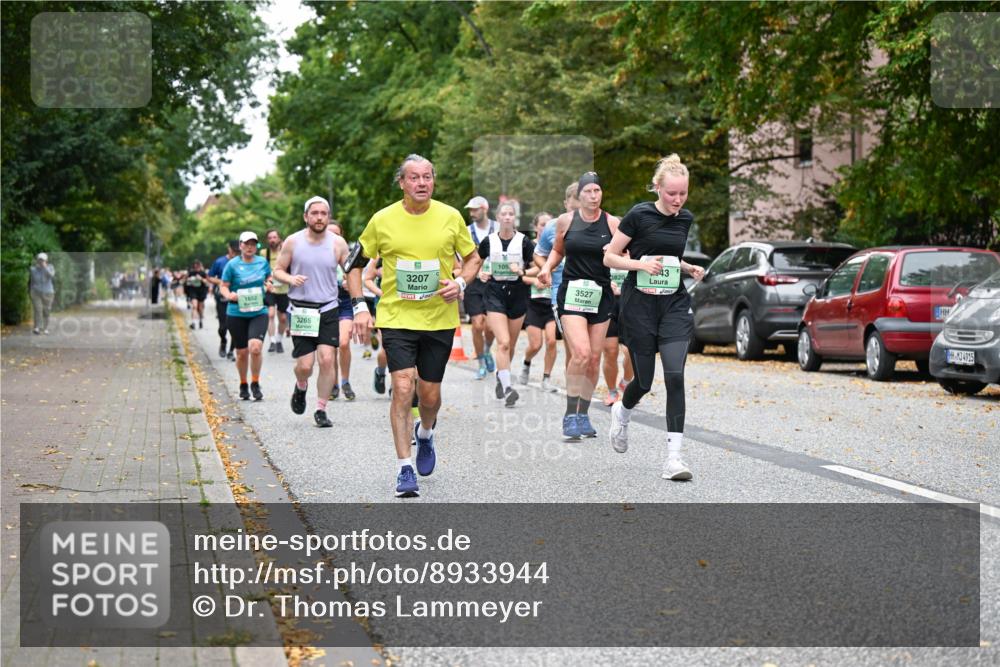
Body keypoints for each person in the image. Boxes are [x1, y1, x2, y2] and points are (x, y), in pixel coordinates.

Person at [347, 154, 481, 498]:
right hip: (396, 317)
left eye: (427, 177)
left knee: (430, 396)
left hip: (438, 318)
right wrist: (361, 306)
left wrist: (462, 284)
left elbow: (473, 259)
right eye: (414, 178)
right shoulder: (382, 219)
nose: (422, 183)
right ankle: (404, 468)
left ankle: (425, 434)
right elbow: (354, 266)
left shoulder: (450, 217)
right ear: (402, 183)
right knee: (404, 388)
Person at [604, 154, 705, 480]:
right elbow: (609, 257)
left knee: (675, 376)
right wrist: (640, 265)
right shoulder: (638, 215)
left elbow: (670, 255)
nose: (677, 200)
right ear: (657, 188)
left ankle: (674, 459)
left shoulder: (684, 218)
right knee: (644, 381)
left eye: (683, 194)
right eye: (671, 193)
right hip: (640, 306)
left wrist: (687, 267)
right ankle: (622, 411)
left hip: (673, 305)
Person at [538, 173, 620, 441]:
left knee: (595, 357)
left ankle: (583, 414)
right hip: (572, 293)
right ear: (580, 196)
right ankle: (569, 413)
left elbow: (625, 254)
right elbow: (558, 250)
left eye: (598, 190)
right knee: (581, 353)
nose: (594, 196)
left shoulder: (612, 222)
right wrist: (547, 269)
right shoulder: (566, 221)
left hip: (601, 295)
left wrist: (616, 256)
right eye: (589, 191)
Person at [272, 196, 351, 428]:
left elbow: (349, 270)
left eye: (323, 213)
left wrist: (348, 281)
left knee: (327, 360)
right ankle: (301, 385)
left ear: (328, 216)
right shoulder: (293, 242)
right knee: (305, 366)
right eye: (314, 213)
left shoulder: (338, 243)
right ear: (306, 216)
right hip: (302, 310)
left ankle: (321, 409)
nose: (319, 217)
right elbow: (278, 270)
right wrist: (290, 278)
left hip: (328, 307)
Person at [478, 201, 534, 407]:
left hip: (517, 293)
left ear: (515, 218)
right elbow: (472, 263)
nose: (508, 217)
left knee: (509, 344)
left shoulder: (524, 242)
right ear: (498, 218)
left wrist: (523, 272)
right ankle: (509, 387)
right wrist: (480, 273)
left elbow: (541, 266)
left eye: (511, 214)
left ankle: (502, 378)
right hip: (494, 292)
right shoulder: (489, 241)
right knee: (502, 342)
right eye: (504, 214)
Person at [533, 182, 581, 372]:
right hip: (562, 292)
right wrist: (546, 268)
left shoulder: (599, 224)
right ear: (566, 203)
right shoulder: (553, 226)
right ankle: (574, 395)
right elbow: (538, 253)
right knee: (574, 348)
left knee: (590, 352)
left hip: (592, 291)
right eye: (574, 204)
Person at [219, 231, 272, 401]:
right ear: (240, 246)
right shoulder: (232, 265)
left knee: (255, 348)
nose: (250, 247)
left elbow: (269, 279)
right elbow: (223, 286)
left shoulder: (263, 262)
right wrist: (229, 295)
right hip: (236, 313)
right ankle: (243, 383)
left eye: (253, 244)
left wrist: (269, 285)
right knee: (242, 353)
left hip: (258, 311)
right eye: (246, 244)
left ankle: (255, 383)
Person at [519, 212, 558, 391]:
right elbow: (520, 275)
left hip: (551, 303)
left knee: (551, 341)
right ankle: (526, 363)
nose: (546, 227)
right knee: (536, 344)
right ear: (536, 227)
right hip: (533, 303)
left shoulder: (558, 247)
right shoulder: (530, 248)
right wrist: (535, 280)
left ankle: (546, 378)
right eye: (543, 224)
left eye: (550, 224)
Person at [463, 195, 497, 379]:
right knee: (477, 325)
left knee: (491, 327)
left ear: (485, 208)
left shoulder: (498, 228)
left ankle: (486, 349)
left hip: (494, 282)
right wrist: (475, 273)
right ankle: (481, 363)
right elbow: (462, 259)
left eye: (475, 209)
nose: (472, 213)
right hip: (474, 282)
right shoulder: (467, 232)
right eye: (470, 210)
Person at [328, 222, 356, 401]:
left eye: (337, 234)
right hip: (326, 304)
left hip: (345, 303)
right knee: (330, 349)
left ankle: (345, 381)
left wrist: (351, 284)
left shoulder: (349, 256)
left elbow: (358, 278)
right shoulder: (317, 255)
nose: (333, 238)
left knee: (344, 343)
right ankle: (333, 384)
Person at [602, 263, 634, 404]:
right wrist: (605, 284)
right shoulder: (604, 249)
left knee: (630, 351)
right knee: (610, 351)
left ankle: (626, 382)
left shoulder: (634, 250)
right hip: (607, 303)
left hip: (629, 305)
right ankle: (612, 391)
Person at [208, 240, 239, 359]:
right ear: (229, 249)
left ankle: (231, 351)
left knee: (235, 326)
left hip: (236, 296)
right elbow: (210, 277)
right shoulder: (220, 261)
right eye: (234, 250)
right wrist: (222, 282)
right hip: (222, 296)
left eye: (238, 251)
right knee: (223, 326)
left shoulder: (242, 261)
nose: (236, 253)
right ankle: (223, 341)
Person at [264, 229, 290, 354]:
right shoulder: (264, 253)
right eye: (270, 238)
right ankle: (272, 341)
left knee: (283, 318)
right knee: (270, 314)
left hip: (284, 289)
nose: (272, 240)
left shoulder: (285, 252)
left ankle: (279, 339)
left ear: (279, 238)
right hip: (270, 289)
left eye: (274, 237)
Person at [29, 252, 56, 334]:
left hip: (48, 292)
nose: (41, 262)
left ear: (46, 261)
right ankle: (37, 327)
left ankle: (45, 328)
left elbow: (51, 276)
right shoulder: (33, 269)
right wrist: (31, 291)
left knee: (46, 310)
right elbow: (31, 282)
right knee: (38, 309)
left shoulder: (50, 267)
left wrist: (45, 268)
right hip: (36, 292)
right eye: (39, 260)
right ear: (37, 260)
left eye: (42, 260)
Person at [185, 260, 209, 329]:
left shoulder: (203, 273)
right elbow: (186, 280)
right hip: (193, 291)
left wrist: (201, 279)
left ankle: (200, 320)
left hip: (201, 292)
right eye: (195, 266)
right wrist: (189, 279)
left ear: (200, 266)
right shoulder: (191, 273)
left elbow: (207, 282)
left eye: (197, 266)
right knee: (194, 306)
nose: (196, 268)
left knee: (200, 308)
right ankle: (193, 323)